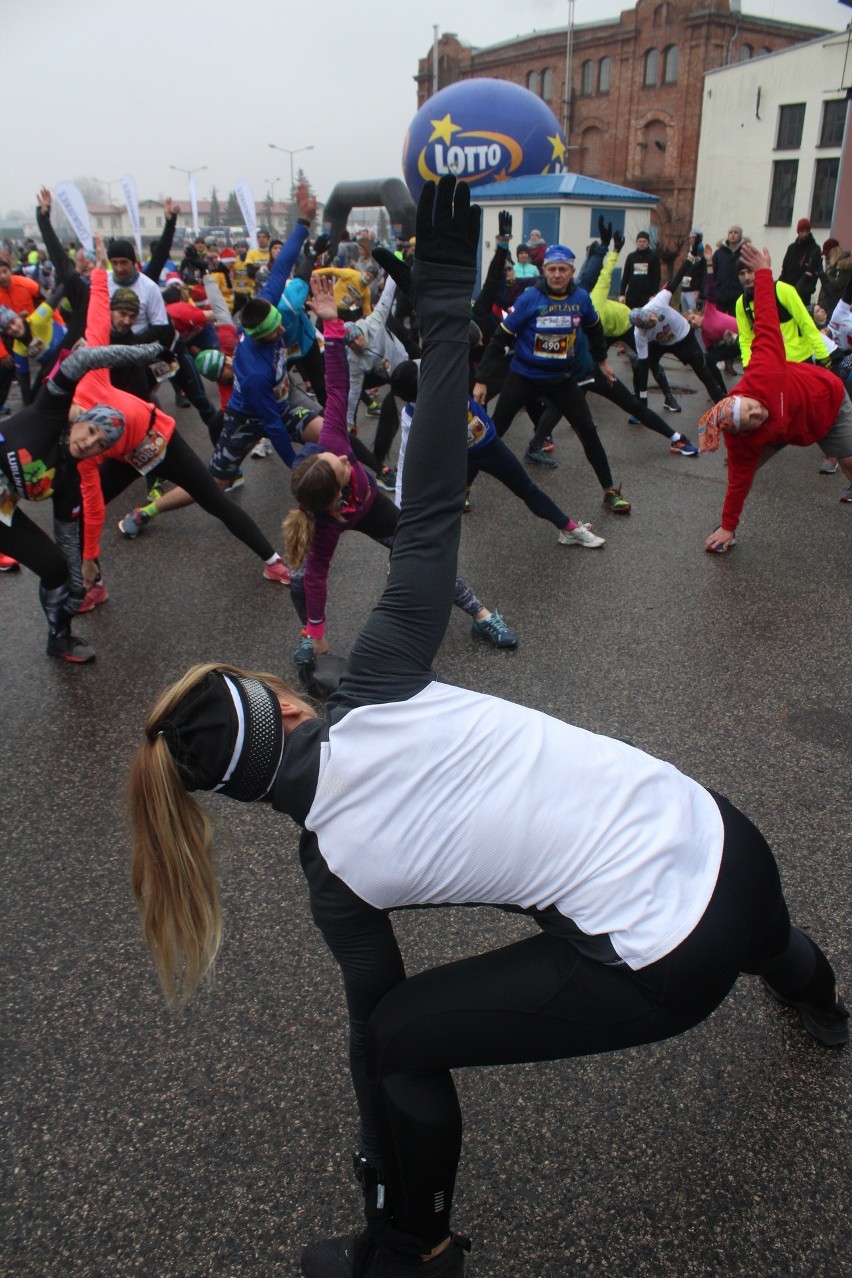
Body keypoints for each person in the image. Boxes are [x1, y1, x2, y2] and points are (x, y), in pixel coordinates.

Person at [129, 180, 847, 1278]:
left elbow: (379, 1040)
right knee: (770, 939)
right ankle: (821, 1001)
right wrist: (448, 286)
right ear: (282, 701)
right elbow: (424, 506)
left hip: (669, 954)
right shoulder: (381, 676)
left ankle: (410, 1249)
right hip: (719, 830)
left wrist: (380, 1157)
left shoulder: (336, 876)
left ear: (225, 798)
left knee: (397, 1036)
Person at [283, 275, 518, 663]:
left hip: (374, 508)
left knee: (420, 554)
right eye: (343, 468)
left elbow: (337, 386)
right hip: (337, 519)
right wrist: (320, 635)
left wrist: (332, 323)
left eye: (336, 459)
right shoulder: (324, 522)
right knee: (301, 580)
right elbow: (318, 578)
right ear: (335, 497)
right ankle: (308, 633)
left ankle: (481, 614)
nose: (346, 459)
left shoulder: (332, 442)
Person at [0, 337, 162, 660]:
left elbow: (67, 540)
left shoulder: (69, 480)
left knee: (57, 569)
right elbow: (81, 361)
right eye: (90, 432)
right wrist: (145, 352)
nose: (89, 443)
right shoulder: (49, 414)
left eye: (100, 444)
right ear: (80, 422)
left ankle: (58, 637)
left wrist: (76, 590)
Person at [700, 243, 852, 552]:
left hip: (827, 402)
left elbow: (767, 317)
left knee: (849, 461)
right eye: (752, 420)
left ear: (749, 398)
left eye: (753, 409)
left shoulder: (764, 370)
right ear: (740, 431)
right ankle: (729, 526)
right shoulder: (743, 437)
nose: (758, 414)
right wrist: (728, 527)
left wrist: (764, 272)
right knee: (740, 470)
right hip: (784, 429)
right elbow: (739, 481)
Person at [472, 243, 631, 515]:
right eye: (552, 269)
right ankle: (462, 489)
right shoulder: (529, 299)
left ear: (571, 271)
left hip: (560, 378)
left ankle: (609, 492)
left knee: (588, 430)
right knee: (493, 432)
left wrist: (602, 360)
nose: (557, 275)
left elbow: (594, 329)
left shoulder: (580, 298)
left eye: (563, 269)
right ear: (544, 271)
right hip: (523, 376)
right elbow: (500, 340)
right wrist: (482, 379)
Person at [779, 218, 822, 304]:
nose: (805, 234)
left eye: (807, 231)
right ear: (798, 232)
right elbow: (785, 268)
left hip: (803, 294)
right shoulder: (792, 248)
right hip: (788, 290)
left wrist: (808, 289)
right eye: (802, 231)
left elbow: (812, 272)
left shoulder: (815, 249)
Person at [619, 230, 660, 310]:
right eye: (639, 241)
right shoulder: (631, 257)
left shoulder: (654, 257)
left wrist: (654, 294)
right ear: (636, 242)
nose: (641, 243)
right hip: (632, 295)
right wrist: (622, 293)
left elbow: (657, 277)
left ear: (648, 242)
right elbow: (625, 276)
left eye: (644, 241)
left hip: (647, 296)